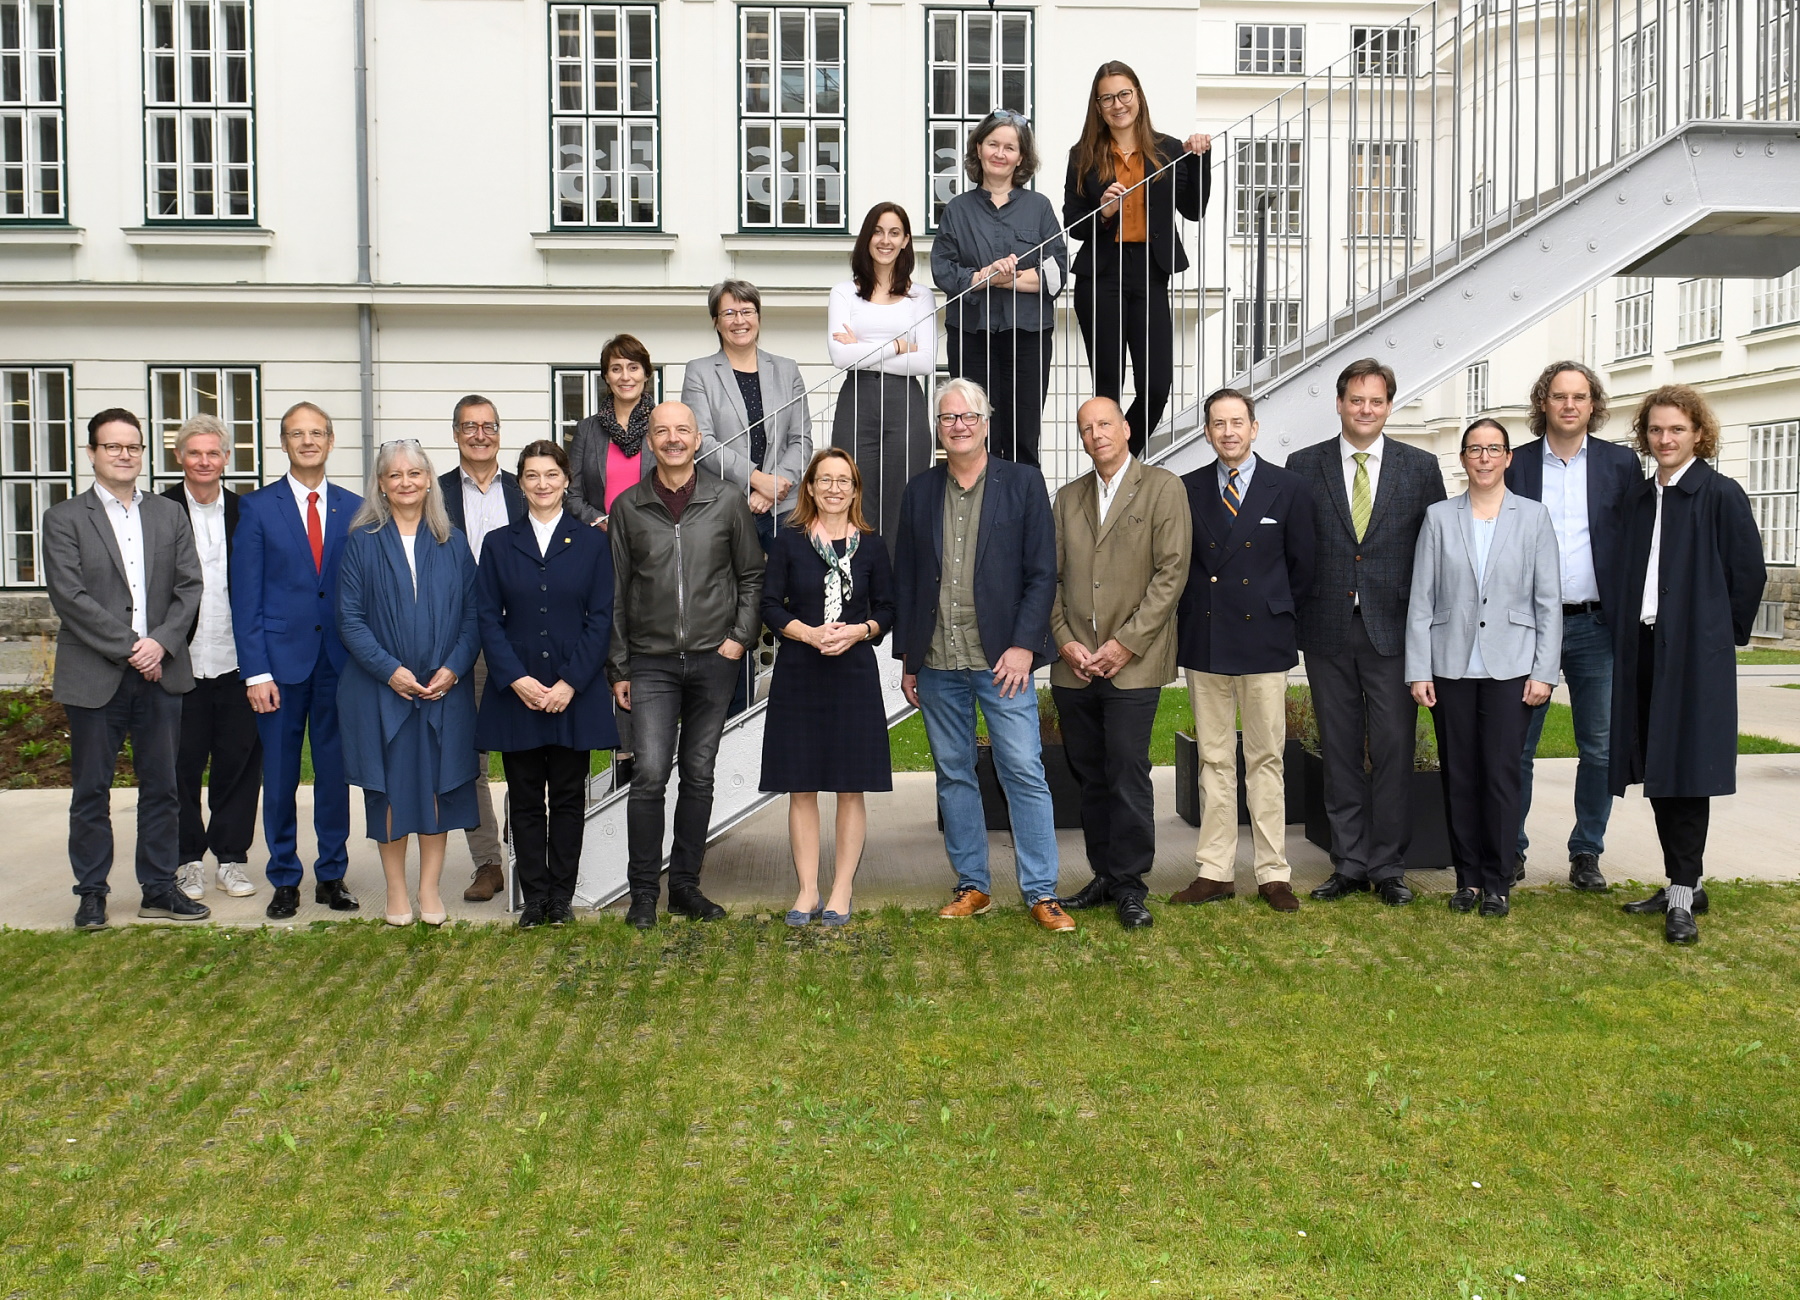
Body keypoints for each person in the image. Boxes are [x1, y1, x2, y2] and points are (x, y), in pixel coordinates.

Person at [892, 378, 1071, 933]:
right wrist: (910, 661)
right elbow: (909, 580)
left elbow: (1043, 574)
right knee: (953, 773)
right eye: (948, 418)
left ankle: (1042, 892)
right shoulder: (919, 492)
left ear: (986, 422)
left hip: (1004, 663)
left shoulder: (1022, 483)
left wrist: (1023, 646)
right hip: (939, 662)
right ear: (938, 428)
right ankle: (973, 886)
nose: (959, 425)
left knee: (1023, 770)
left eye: (968, 416)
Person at [1288, 359, 1447, 906]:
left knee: (1393, 748)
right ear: (1339, 403)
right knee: (1337, 750)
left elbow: (1434, 552)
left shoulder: (1420, 467)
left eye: (1376, 401)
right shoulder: (1302, 466)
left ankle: (1388, 865)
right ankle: (1349, 862)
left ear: (1388, 406)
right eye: (1356, 400)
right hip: (1327, 627)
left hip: (1394, 630)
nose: (1365, 409)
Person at [1611, 386, 1766, 944]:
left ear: (1698, 432)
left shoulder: (1719, 493)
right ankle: (1687, 881)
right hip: (1644, 650)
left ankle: (1682, 898)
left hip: (1696, 656)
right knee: (1659, 768)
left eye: (1676, 429)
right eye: (1655, 430)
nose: (1665, 439)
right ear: (1645, 437)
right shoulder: (1637, 496)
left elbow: (1748, 576)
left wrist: (1716, 640)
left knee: (1687, 771)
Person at [44, 409, 206, 931]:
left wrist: (159, 644)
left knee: (163, 788)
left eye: (132, 447)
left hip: (161, 673)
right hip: (95, 676)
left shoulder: (168, 514)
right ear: (92, 453)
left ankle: (159, 888)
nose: (124, 455)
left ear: (143, 453)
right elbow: (70, 597)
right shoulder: (65, 518)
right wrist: (134, 647)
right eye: (112, 446)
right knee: (91, 791)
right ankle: (92, 893)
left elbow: (189, 588)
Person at [608, 401, 766, 931]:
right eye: (662, 432)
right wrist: (619, 667)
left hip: (713, 659)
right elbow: (615, 592)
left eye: (683, 430)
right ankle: (643, 895)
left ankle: (685, 888)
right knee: (650, 773)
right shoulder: (628, 507)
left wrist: (739, 639)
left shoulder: (726, 501)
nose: (673, 439)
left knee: (698, 773)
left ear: (699, 439)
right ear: (649, 443)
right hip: (650, 664)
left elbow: (750, 576)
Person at [1407, 419, 1563, 918]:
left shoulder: (1534, 517)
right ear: (1463, 458)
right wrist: (1419, 668)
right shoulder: (1438, 517)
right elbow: (1421, 599)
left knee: (1500, 775)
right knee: (1459, 774)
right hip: (1450, 664)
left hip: (1512, 664)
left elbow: (1548, 602)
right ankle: (1467, 878)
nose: (1484, 458)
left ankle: (1498, 880)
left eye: (1494, 449)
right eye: (1475, 449)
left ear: (1508, 457)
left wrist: (1545, 671)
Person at [1171, 388, 1315, 912]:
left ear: (1255, 427)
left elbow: (1304, 569)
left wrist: (1276, 611)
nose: (1228, 432)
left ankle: (1274, 873)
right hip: (1206, 638)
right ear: (1207, 432)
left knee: (1266, 760)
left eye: (1237, 422)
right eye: (1217, 423)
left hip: (1265, 640)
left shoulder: (1291, 488)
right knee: (1212, 760)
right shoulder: (1186, 490)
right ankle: (1215, 871)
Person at [1049, 397, 1190, 929]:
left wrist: (1125, 644)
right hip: (1076, 664)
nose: (1096, 434)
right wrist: (1065, 641)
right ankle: (1104, 873)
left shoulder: (1162, 488)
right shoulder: (1066, 499)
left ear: (1126, 428)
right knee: (1089, 774)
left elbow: (1171, 575)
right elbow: (1051, 579)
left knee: (1128, 771)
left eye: (1105, 423)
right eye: (1086, 428)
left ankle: (1131, 884)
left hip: (1134, 662)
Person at [1504, 362, 1643, 892]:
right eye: (1558, 396)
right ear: (1544, 403)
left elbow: (1636, 542)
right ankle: (1509, 848)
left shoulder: (1620, 464)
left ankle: (1587, 851)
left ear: (1592, 405)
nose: (1568, 405)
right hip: (1528, 626)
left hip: (1596, 624)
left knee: (1600, 747)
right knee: (1517, 745)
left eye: (1579, 397)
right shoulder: (1516, 464)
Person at [336, 440, 481, 927]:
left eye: (414, 473)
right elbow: (350, 619)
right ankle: (397, 891)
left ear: (428, 480)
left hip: (443, 690)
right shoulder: (363, 540)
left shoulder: (451, 541)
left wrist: (454, 668)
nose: (405, 482)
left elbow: (473, 615)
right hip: (384, 690)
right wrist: (389, 670)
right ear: (381, 484)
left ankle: (429, 890)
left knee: (439, 789)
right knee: (393, 792)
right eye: (394, 475)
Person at [475, 440, 617, 929]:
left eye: (551, 474)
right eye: (532, 476)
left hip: (571, 692)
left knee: (569, 798)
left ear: (566, 480)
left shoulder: (593, 542)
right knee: (526, 799)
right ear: (521, 483)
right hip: (517, 693)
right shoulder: (498, 543)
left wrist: (569, 683)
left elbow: (601, 620)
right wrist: (516, 679)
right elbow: (487, 618)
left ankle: (561, 898)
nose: (542, 484)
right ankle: (534, 900)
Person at [232, 402, 363, 920]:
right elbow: (247, 597)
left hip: (339, 664)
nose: (307, 441)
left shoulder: (355, 508)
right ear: (283, 443)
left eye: (316, 433)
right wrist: (256, 671)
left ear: (331, 442)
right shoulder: (258, 508)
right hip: (279, 669)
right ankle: (284, 878)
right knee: (281, 776)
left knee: (335, 773)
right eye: (296, 434)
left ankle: (332, 874)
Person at [759, 448, 896, 928]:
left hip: (854, 673)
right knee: (800, 786)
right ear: (811, 489)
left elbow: (889, 608)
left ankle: (842, 888)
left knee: (849, 786)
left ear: (855, 490)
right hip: (800, 670)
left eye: (844, 481)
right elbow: (770, 605)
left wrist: (860, 630)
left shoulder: (872, 546)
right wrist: (808, 632)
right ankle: (807, 889)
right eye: (825, 480)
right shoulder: (789, 543)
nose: (835, 488)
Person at [1062, 61, 1211, 456]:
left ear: (1138, 97)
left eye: (1124, 94)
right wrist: (1104, 212)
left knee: (1157, 386)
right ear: (1097, 106)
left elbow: (1194, 208)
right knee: (1107, 388)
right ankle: (1110, 470)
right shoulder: (1083, 155)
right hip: (1101, 274)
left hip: (1150, 271)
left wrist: (1198, 158)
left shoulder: (1166, 149)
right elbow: (1074, 225)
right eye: (1107, 97)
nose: (1117, 104)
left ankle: (1120, 463)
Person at [161, 414, 262, 903]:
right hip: (178, 662)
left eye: (213, 453)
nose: (204, 461)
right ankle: (186, 861)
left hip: (237, 659)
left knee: (238, 762)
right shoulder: (156, 512)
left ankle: (231, 858)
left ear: (226, 458)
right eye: (194, 452)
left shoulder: (247, 513)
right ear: (179, 457)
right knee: (180, 765)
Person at [931, 110, 1067, 467]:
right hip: (971, 334)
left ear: (1021, 157)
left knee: (1023, 433)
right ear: (978, 147)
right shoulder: (957, 210)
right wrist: (984, 278)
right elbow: (944, 271)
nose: (1000, 153)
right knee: (975, 431)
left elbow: (1056, 273)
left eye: (1010, 147)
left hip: (1028, 335)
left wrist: (1003, 279)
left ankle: (1025, 515)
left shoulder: (1039, 208)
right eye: (993, 144)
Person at [438, 394, 525, 905]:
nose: (479, 434)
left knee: (524, 748)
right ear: (455, 434)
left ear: (499, 432)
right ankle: (488, 861)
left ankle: (524, 848)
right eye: (468, 426)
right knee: (472, 758)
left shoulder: (523, 490)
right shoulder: (436, 493)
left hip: (517, 641)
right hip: (460, 639)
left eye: (487, 425)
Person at [565, 333, 655, 788]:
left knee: (641, 647)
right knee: (607, 641)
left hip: (651, 551)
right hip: (600, 549)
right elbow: (573, 492)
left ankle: (644, 750)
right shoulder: (588, 429)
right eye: (616, 368)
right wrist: (599, 520)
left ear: (646, 373)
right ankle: (619, 754)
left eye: (633, 367)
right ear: (606, 376)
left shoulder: (661, 426)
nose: (625, 376)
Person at [828, 202, 937, 543]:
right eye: (877, 231)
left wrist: (861, 349)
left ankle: (898, 593)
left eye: (894, 233)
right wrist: (898, 346)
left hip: (905, 402)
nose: (885, 240)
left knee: (903, 500)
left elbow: (926, 362)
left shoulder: (920, 296)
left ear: (906, 240)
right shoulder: (844, 292)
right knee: (852, 494)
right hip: (857, 399)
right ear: (867, 237)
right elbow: (840, 357)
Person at [682, 279, 812, 550]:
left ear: (758, 317)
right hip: (724, 502)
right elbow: (703, 443)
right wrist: (757, 480)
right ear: (716, 322)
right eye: (729, 313)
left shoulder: (787, 370)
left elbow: (801, 440)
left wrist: (773, 488)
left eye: (747, 311)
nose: (739, 320)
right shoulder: (699, 372)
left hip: (783, 504)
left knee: (795, 581)